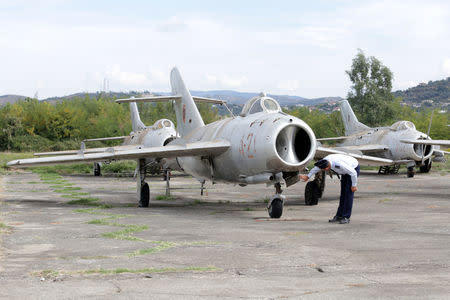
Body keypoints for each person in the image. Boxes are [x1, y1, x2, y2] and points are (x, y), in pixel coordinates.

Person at [299, 154, 360, 224]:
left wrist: (354, 185)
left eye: (326, 169)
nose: (325, 170)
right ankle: (339, 216)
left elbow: (353, 173)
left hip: (353, 168)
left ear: (328, 166)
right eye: (324, 169)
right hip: (345, 172)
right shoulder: (323, 162)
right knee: (343, 194)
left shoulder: (339, 164)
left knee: (348, 194)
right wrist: (308, 176)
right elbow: (315, 169)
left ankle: (346, 217)